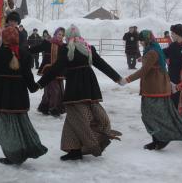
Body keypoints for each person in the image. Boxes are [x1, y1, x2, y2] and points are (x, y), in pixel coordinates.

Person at [37, 24, 122, 161]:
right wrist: (117, 78)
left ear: (68, 37)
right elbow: (102, 65)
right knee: (73, 119)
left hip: (74, 90)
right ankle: (74, 150)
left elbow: (55, 69)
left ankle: (96, 142)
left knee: (79, 118)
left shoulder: (66, 49)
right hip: (89, 88)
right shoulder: (88, 48)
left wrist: (40, 84)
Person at [0, 26, 47, 165]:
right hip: (20, 96)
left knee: (5, 126)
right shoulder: (25, 55)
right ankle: (29, 147)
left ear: (4, 38)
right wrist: (35, 87)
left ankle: (13, 154)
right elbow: (28, 77)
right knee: (22, 124)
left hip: (2, 96)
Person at [121, 30, 182, 150]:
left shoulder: (152, 52)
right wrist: (143, 59)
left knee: (152, 115)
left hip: (155, 89)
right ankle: (157, 140)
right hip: (156, 87)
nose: (140, 43)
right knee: (152, 115)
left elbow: (144, 71)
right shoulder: (153, 48)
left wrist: (127, 79)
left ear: (146, 40)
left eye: (141, 40)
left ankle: (162, 139)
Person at [29, 27, 66, 116]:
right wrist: (25, 51)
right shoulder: (48, 43)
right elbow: (36, 49)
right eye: (59, 34)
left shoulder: (64, 46)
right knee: (53, 89)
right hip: (48, 70)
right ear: (55, 34)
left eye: (62, 35)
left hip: (58, 71)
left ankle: (46, 106)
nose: (60, 36)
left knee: (59, 89)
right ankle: (53, 108)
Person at [163, 23, 182, 107]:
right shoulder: (173, 45)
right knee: (173, 101)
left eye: (172, 33)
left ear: (177, 34)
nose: (171, 35)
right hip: (172, 78)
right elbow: (163, 52)